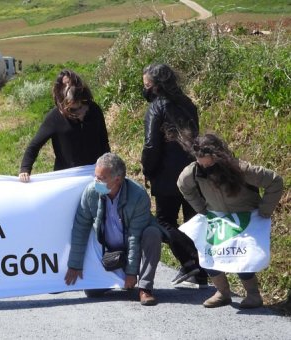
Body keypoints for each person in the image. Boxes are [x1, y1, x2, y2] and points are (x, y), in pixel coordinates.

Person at [177, 133, 283, 309]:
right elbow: (183, 185)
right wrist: (201, 209)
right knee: (208, 253)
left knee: (243, 255)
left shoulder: (241, 169)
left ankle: (253, 295)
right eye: (200, 162)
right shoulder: (194, 171)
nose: (204, 167)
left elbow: (275, 181)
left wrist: (265, 211)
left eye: (209, 163)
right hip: (218, 218)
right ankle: (222, 293)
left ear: (218, 156)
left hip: (246, 217)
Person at [64, 153, 167, 306]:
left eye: (101, 178)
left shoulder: (138, 195)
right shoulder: (91, 192)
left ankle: (145, 288)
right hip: (110, 250)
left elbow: (134, 236)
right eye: (95, 176)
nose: (96, 181)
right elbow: (81, 228)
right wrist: (75, 264)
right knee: (92, 292)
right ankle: (117, 279)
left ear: (117, 179)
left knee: (152, 233)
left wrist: (132, 273)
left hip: (135, 246)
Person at [140, 63, 206, 288]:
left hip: (166, 175)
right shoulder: (189, 104)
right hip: (193, 172)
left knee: (163, 221)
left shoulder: (157, 107)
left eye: (147, 85)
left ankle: (191, 262)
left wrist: (147, 170)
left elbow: (151, 145)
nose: (145, 89)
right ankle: (202, 271)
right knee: (192, 222)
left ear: (156, 86)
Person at [19, 69, 110, 183]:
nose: (80, 114)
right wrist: (25, 169)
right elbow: (34, 145)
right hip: (66, 177)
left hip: (94, 174)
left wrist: (108, 167)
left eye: (82, 108)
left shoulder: (95, 110)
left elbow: (104, 141)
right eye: (74, 110)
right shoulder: (55, 117)